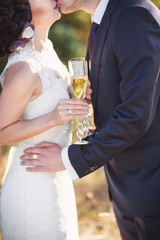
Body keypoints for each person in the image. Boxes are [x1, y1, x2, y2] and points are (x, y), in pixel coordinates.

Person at [21, 0, 160, 239]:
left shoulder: (134, 16)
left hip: (151, 191)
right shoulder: (102, 21)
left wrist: (69, 158)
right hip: (126, 190)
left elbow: (136, 114)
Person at [0, 0, 90, 239]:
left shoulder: (46, 49)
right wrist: (52, 117)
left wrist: (79, 101)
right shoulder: (24, 68)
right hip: (32, 189)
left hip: (56, 179)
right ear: (23, 7)